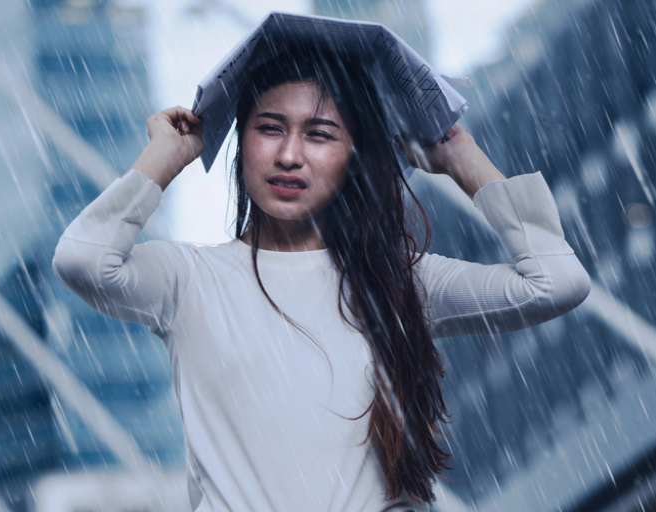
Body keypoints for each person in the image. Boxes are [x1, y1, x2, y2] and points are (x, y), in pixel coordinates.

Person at [53, 44, 590, 512]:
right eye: (270, 128)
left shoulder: (402, 282)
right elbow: (82, 259)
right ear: (242, 144)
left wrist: (460, 158)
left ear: (352, 157)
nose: (289, 155)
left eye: (319, 134)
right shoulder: (188, 280)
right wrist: (165, 157)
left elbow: (556, 281)